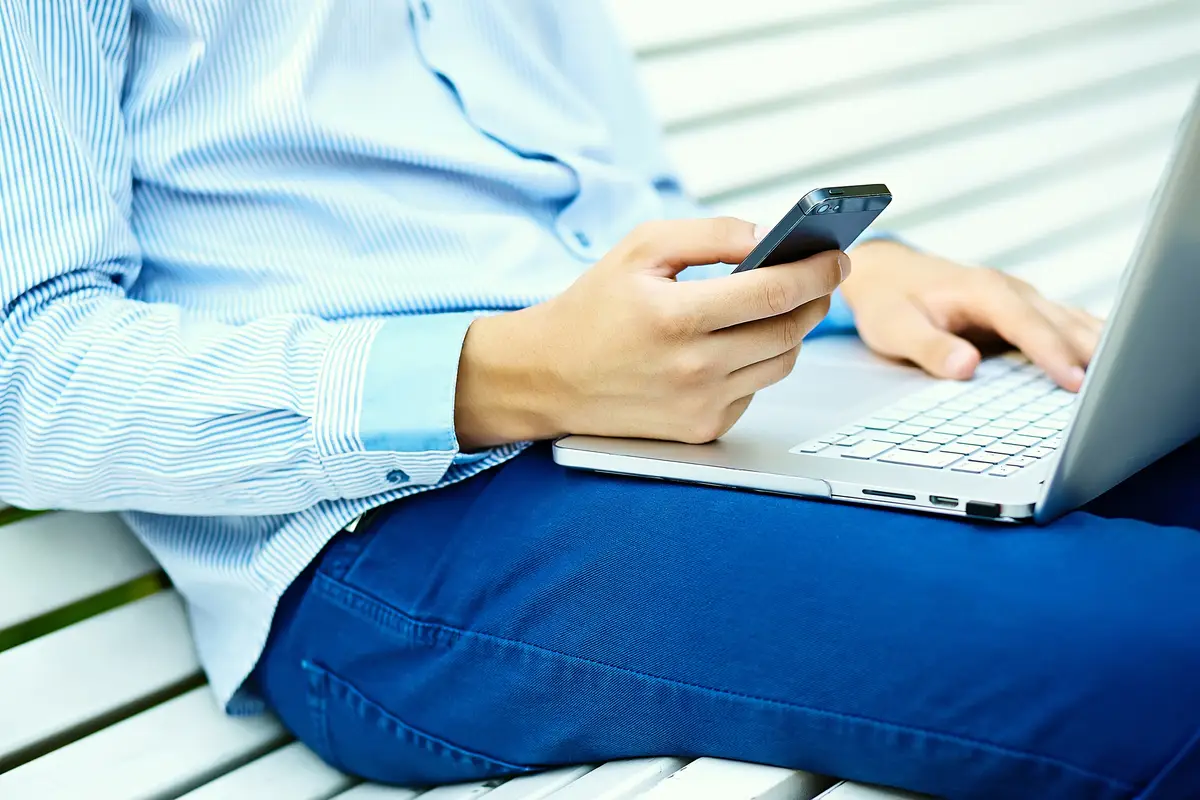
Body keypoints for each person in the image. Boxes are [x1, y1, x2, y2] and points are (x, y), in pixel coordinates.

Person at [1, 2, 1196, 798]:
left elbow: (624, 214)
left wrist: (853, 285)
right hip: (398, 537)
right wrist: (505, 375)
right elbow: (22, 376)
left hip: (667, 424)